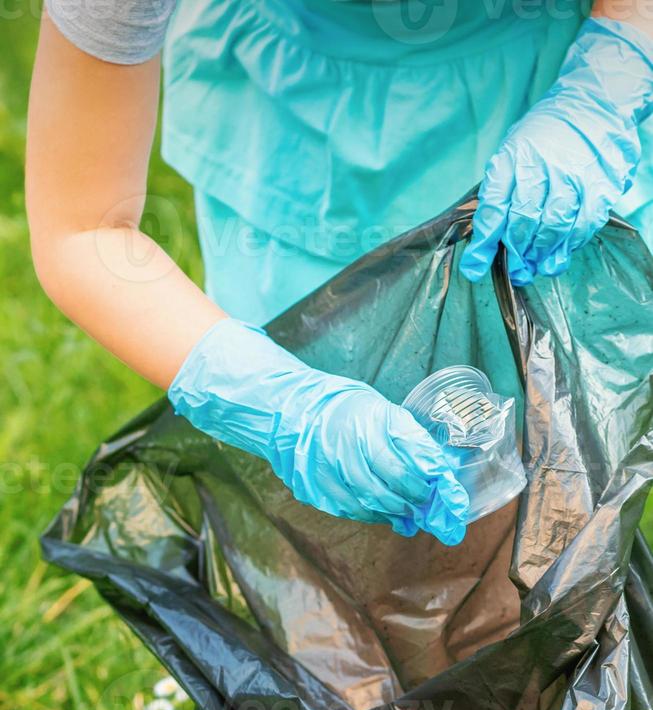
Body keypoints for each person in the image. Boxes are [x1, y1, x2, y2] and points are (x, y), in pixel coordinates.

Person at [26, 0, 653, 545]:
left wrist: (603, 88)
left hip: (542, 79)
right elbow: (83, 227)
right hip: (291, 123)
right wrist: (284, 407)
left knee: (542, 499)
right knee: (336, 543)